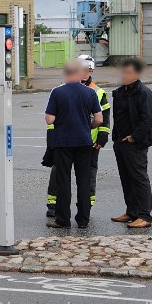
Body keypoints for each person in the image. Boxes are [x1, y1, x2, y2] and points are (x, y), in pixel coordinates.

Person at [46, 55, 110, 217]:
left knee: (87, 176)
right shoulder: (62, 90)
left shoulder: (98, 92)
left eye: (89, 70)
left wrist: (102, 136)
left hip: (90, 142)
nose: (86, 73)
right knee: (59, 173)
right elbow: (98, 118)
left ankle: (84, 207)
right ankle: (54, 205)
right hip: (80, 140)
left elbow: (105, 118)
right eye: (84, 70)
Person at [111, 58, 152, 228]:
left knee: (139, 178)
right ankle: (132, 212)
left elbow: (148, 118)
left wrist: (134, 137)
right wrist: (117, 138)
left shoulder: (144, 93)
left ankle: (145, 216)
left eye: (128, 72)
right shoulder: (121, 92)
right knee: (126, 178)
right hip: (120, 142)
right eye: (123, 72)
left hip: (135, 143)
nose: (124, 75)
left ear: (137, 74)